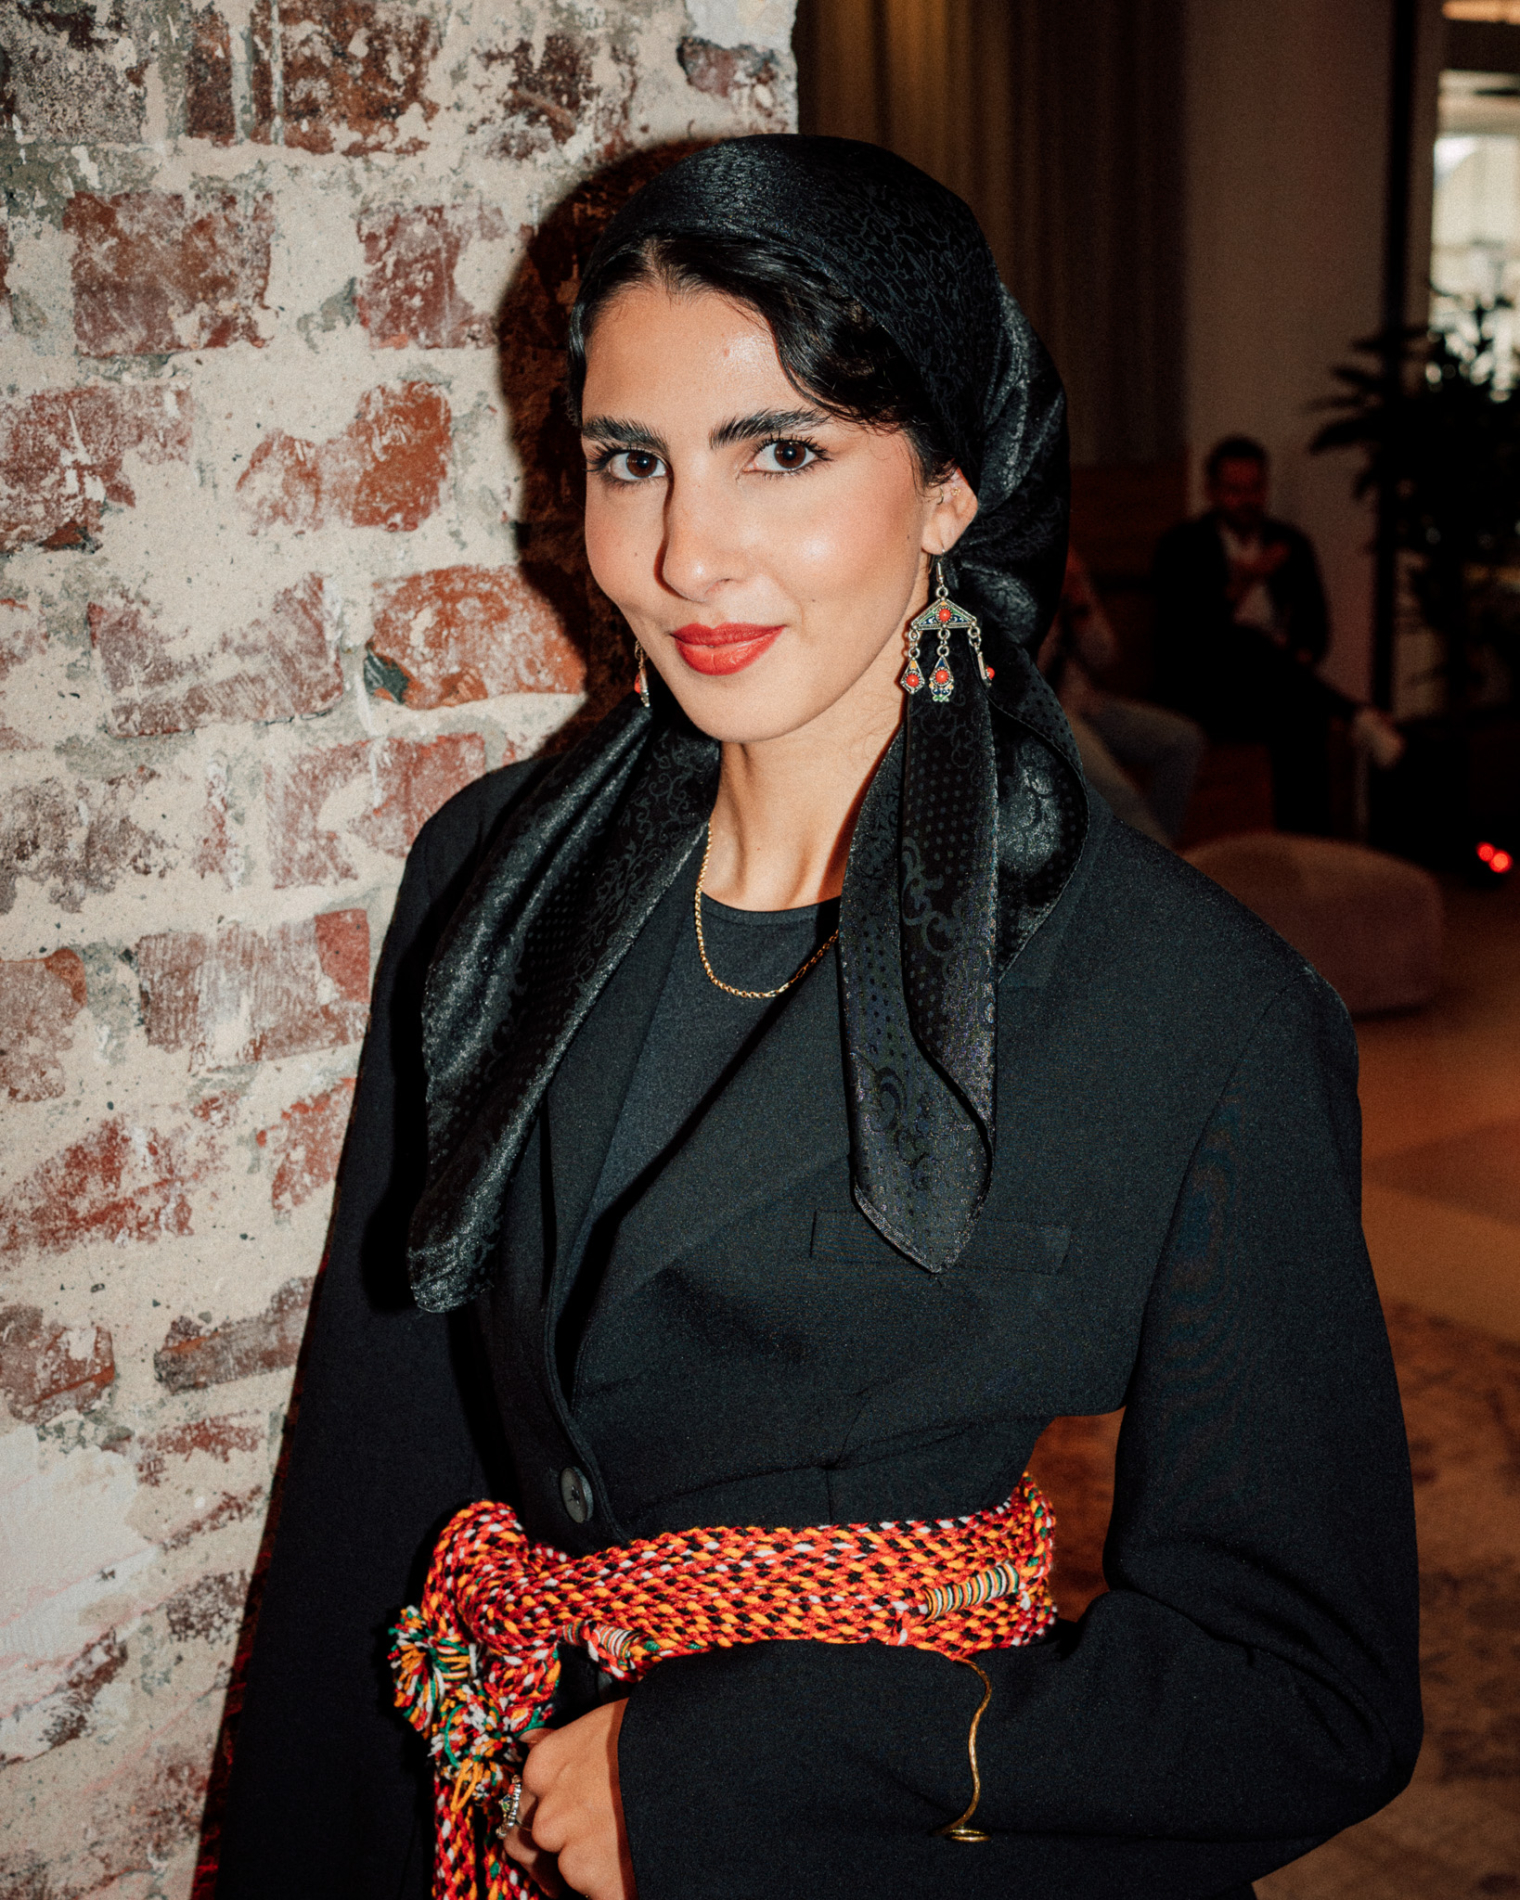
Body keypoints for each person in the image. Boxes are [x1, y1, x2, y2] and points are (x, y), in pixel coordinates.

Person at [216, 139, 1420, 1900]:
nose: (685, 553)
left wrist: (741, 1770)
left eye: (781, 451)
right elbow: (375, 1468)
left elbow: (1304, 1693)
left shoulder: (1196, 1009)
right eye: (632, 460)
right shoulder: (493, 878)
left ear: (950, 488)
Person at [1153, 435, 1403, 833]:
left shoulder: (1290, 545)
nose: (1247, 500)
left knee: (1300, 714)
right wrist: (1242, 584)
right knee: (1247, 641)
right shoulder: (1183, 546)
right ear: (1211, 492)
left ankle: (1306, 844)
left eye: (1255, 488)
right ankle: (1356, 714)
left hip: (1277, 685)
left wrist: (1296, 658)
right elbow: (1186, 638)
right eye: (1234, 490)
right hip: (1208, 686)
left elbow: (1316, 628)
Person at [1039, 547, 1205, 845]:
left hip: (1088, 703)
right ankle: (1160, 862)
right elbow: (1019, 677)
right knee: (1118, 791)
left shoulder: (1074, 578)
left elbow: (1105, 656)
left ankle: (1157, 847)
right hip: (1044, 714)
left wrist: (1081, 609)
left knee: (1182, 739)